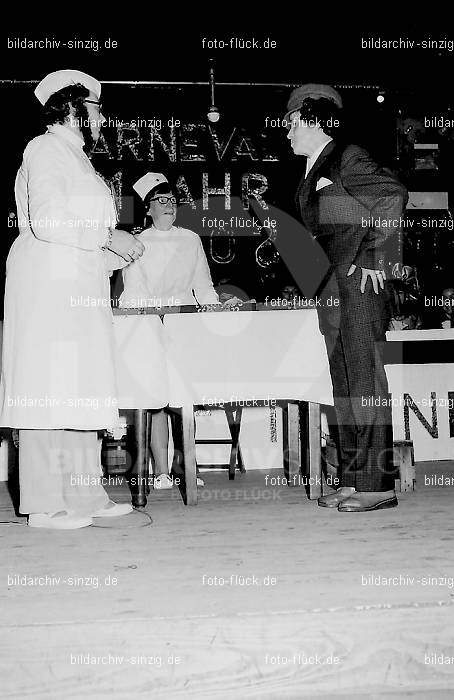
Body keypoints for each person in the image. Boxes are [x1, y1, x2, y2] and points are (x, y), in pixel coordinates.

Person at [0, 70, 145, 528]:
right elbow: (47, 221)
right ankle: (45, 504)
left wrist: (113, 253)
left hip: (79, 287)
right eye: (97, 108)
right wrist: (108, 235)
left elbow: (85, 235)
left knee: (81, 386)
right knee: (48, 388)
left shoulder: (79, 160)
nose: (103, 117)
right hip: (48, 285)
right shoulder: (44, 149)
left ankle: (84, 495)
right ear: (72, 107)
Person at [285, 83, 408, 511]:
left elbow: (391, 197)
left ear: (314, 120)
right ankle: (355, 479)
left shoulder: (347, 155)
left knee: (365, 382)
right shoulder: (313, 167)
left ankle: (378, 486)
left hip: (358, 287)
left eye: (292, 124)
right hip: (332, 289)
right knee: (345, 386)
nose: (287, 133)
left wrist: (375, 254)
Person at [119, 173, 219, 488]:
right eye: (161, 201)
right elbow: (134, 291)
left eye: (172, 200)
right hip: (150, 324)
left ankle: (188, 468)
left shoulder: (191, 239)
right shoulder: (138, 243)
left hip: (186, 326)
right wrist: (154, 316)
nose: (168, 206)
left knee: (183, 398)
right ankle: (161, 471)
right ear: (147, 208)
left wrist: (213, 310)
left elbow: (203, 284)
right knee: (157, 399)